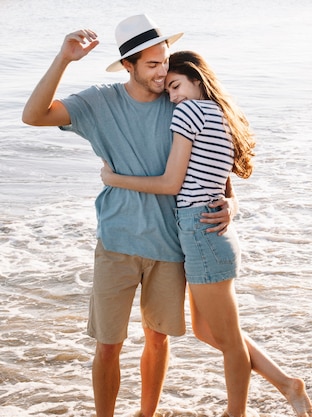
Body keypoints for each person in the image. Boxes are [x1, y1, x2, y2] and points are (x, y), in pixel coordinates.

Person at [21, 15, 234, 417]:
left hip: (171, 243)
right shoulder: (100, 102)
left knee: (158, 340)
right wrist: (64, 59)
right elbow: (33, 116)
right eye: (152, 65)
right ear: (128, 66)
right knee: (107, 344)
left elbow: (213, 160)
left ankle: (145, 414)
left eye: (165, 62)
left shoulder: (181, 102)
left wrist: (231, 202)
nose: (162, 73)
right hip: (117, 242)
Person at [101, 50, 312, 417]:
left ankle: (237, 413)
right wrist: (232, 205)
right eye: (169, 89)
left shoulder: (188, 112)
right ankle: (286, 383)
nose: (173, 96)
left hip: (201, 232)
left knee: (230, 341)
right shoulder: (221, 114)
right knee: (206, 331)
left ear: (197, 80)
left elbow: (171, 183)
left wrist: (114, 179)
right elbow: (215, 179)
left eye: (177, 84)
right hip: (209, 233)